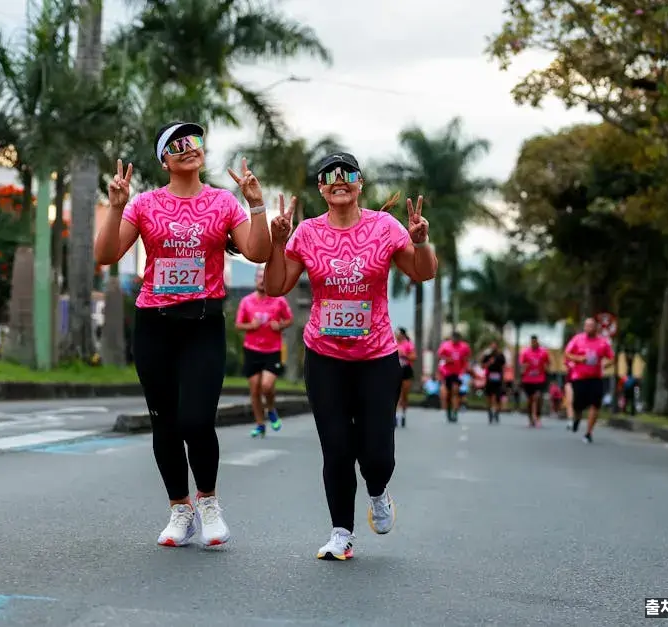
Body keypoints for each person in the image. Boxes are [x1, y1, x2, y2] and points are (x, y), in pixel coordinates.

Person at [94, 121, 271, 548]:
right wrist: (116, 206)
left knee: (196, 418)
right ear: (164, 159)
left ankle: (208, 503)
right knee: (165, 423)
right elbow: (105, 255)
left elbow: (259, 252)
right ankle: (180, 509)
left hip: (202, 323)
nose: (188, 148)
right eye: (177, 145)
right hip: (154, 323)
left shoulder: (222, 202)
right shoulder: (144, 204)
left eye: (193, 141)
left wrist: (256, 206)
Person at [264, 151, 437, 561]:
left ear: (360, 183)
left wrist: (421, 242)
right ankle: (340, 533)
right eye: (329, 176)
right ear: (320, 187)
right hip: (325, 357)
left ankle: (377, 491)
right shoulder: (306, 232)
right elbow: (275, 286)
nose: (338, 180)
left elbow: (423, 272)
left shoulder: (384, 226)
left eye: (348, 174)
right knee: (336, 448)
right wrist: (276, 241)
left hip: (376, 356)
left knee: (377, 454)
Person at [235, 266, 293, 438]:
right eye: (259, 277)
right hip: (252, 349)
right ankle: (260, 424)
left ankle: (271, 409)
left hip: (272, 350)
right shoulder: (246, 301)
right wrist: (250, 326)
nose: (262, 280)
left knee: (266, 386)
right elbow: (238, 325)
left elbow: (289, 320)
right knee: (254, 390)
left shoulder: (279, 300)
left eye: (265, 277)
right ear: (255, 280)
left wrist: (280, 325)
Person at [564, 318, 615, 443]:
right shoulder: (577, 339)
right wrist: (579, 359)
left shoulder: (603, 342)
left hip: (595, 378)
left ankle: (588, 432)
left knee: (595, 404)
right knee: (578, 405)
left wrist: (604, 365)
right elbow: (567, 353)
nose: (589, 328)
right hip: (579, 377)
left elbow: (612, 358)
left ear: (596, 328)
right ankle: (576, 419)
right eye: (587, 326)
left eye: (591, 326)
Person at [437, 332, 471, 423]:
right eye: (453, 338)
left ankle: (455, 413)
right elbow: (439, 356)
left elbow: (467, 358)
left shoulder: (464, 346)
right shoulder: (445, 345)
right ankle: (448, 411)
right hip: (447, 372)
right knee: (448, 395)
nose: (455, 340)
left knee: (455, 392)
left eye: (457, 338)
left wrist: (465, 367)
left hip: (458, 373)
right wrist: (446, 359)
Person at [520, 335, 551, 427]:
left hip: (540, 379)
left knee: (538, 397)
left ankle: (537, 417)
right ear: (530, 342)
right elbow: (522, 365)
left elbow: (548, 364)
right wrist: (524, 368)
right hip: (528, 379)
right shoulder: (525, 352)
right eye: (532, 342)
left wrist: (546, 369)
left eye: (535, 341)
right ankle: (530, 419)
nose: (534, 343)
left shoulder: (543, 352)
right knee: (530, 399)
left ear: (537, 341)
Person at [480, 341, 506, 424]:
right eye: (492, 346)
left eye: (495, 346)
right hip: (489, 379)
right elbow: (482, 366)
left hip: (498, 379)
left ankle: (497, 412)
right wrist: (488, 362)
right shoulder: (487, 356)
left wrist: (503, 377)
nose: (493, 347)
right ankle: (490, 412)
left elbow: (504, 366)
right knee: (489, 397)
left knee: (497, 397)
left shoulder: (501, 356)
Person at [395, 328, 416, 427]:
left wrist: (404, 355)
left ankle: (403, 414)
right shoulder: (392, 342)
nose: (397, 335)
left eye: (398, 333)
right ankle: (395, 415)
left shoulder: (408, 344)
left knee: (404, 394)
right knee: (395, 394)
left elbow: (414, 357)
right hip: (395, 369)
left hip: (406, 370)